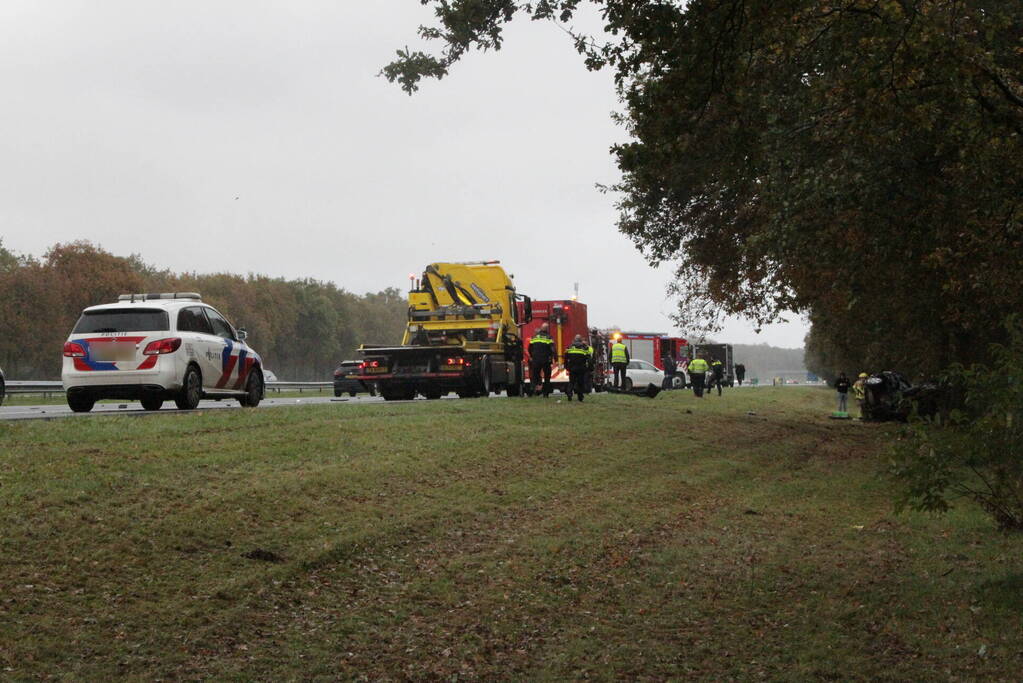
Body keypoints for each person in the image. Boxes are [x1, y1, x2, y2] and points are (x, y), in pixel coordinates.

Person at [528, 323, 555, 397]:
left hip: (536, 360)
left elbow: (529, 348)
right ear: (547, 329)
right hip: (546, 360)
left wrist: (532, 356)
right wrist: (553, 358)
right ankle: (545, 394)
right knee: (547, 377)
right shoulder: (549, 337)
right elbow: (553, 349)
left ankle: (533, 389)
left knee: (535, 375)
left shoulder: (534, 337)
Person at [564, 335, 590, 402]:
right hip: (581, 368)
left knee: (571, 382)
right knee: (580, 383)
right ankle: (580, 397)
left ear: (574, 340)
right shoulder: (584, 347)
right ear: (581, 340)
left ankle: (569, 393)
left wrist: (566, 366)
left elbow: (566, 357)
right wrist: (589, 367)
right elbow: (589, 358)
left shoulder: (570, 347)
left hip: (572, 367)